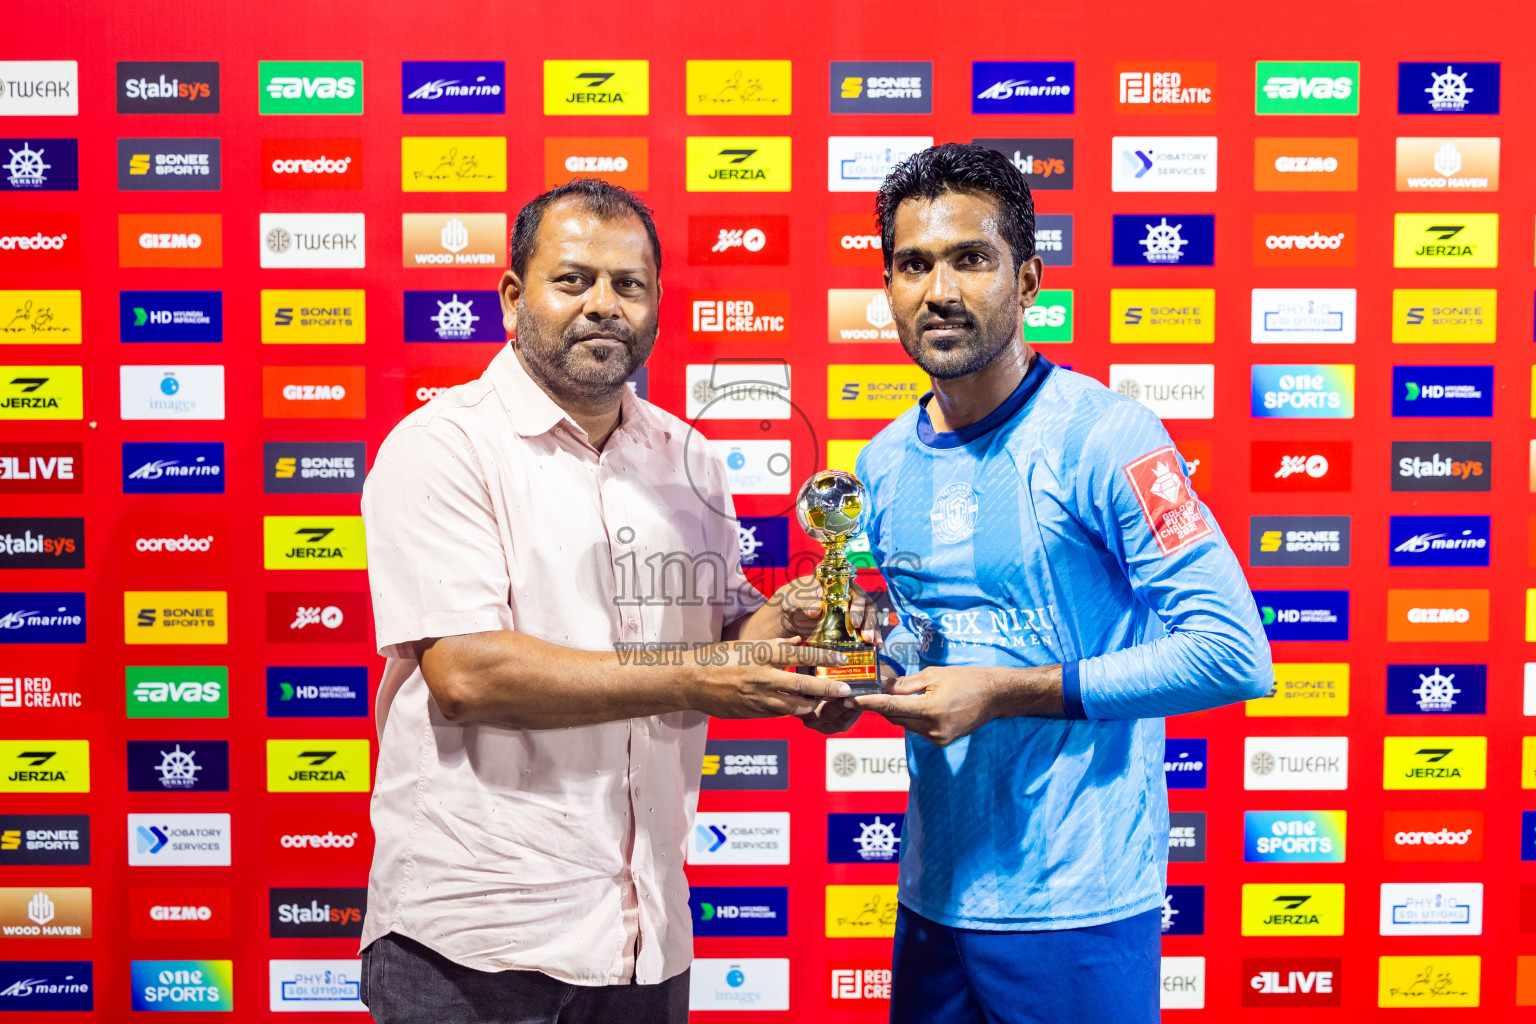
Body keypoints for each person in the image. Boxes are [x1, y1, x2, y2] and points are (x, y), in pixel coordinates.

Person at [356, 178, 852, 1024]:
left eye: (629, 285)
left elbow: (727, 632)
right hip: (473, 945)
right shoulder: (442, 446)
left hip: (645, 933)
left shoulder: (690, 457)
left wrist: (805, 623)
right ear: (512, 297)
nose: (603, 305)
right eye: (573, 280)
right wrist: (700, 674)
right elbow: (468, 675)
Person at [838, 143, 1272, 1023]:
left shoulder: (1108, 438)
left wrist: (1007, 693)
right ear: (887, 287)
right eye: (914, 265)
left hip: (1080, 908)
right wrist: (850, 677)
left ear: (1028, 279)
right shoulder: (880, 464)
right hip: (933, 899)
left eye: (971, 259)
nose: (939, 291)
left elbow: (1233, 656)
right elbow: (920, 646)